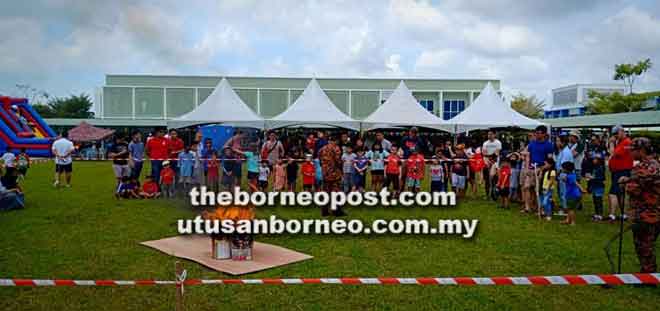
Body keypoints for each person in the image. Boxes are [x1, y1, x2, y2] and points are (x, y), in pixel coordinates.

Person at [622, 137, 660, 273]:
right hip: (652, 212)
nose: (631, 153)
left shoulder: (644, 167)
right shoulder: (655, 164)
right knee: (648, 244)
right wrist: (630, 180)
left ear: (641, 150)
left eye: (633, 150)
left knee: (644, 246)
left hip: (646, 213)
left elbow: (634, 188)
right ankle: (648, 272)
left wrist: (626, 183)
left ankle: (648, 276)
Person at [607, 125, 633, 222]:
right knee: (620, 194)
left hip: (622, 171)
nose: (615, 136)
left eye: (616, 134)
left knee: (613, 193)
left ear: (622, 131)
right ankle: (623, 214)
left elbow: (614, 153)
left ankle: (612, 215)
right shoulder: (622, 142)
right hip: (618, 171)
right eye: (613, 134)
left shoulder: (627, 142)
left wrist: (611, 143)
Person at [318, 135, 345, 216]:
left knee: (326, 192)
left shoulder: (322, 148)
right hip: (334, 173)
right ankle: (336, 211)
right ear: (336, 141)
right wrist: (341, 168)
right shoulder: (336, 148)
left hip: (325, 173)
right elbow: (338, 161)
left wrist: (324, 167)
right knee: (336, 192)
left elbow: (319, 159)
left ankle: (324, 211)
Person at [561, 161, 584, 225]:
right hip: (576, 194)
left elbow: (575, 183)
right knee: (570, 208)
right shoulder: (572, 174)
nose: (562, 169)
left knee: (571, 209)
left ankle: (572, 222)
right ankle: (568, 220)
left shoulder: (569, 176)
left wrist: (581, 189)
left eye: (563, 168)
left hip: (571, 195)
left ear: (566, 169)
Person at [555, 135, 574, 211]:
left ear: (563, 143)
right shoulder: (562, 151)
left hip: (564, 175)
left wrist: (557, 174)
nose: (556, 143)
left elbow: (564, 166)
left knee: (564, 193)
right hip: (561, 175)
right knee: (561, 192)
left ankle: (565, 208)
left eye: (558, 141)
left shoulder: (566, 152)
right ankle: (563, 206)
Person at [585, 153, 606, 221]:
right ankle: (596, 213)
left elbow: (601, 178)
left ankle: (600, 214)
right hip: (594, 186)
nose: (593, 160)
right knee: (595, 201)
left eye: (595, 159)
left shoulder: (601, 168)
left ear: (599, 160)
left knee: (598, 201)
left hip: (599, 187)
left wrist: (592, 178)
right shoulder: (595, 167)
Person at [482, 130, 502, 196]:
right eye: (488, 134)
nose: (489, 136)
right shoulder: (485, 143)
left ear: (494, 135)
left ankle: (495, 192)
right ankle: (487, 193)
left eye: (491, 134)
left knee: (494, 177)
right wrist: (488, 160)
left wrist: (492, 159)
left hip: (495, 162)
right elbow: (484, 152)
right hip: (487, 161)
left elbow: (497, 152)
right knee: (487, 179)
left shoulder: (498, 142)